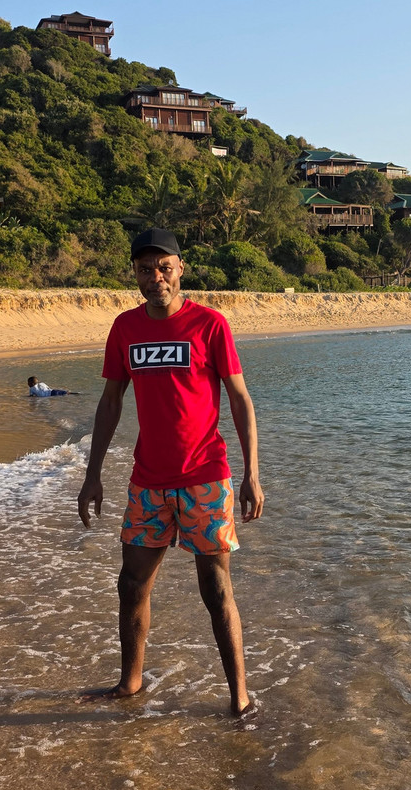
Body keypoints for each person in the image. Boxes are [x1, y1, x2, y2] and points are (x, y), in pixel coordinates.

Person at [77, 227, 263, 717]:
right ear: (135, 275)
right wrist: (92, 473)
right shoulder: (125, 329)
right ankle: (130, 684)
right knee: (131, 584)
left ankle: (239, 698)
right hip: (149, 481)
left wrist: (251, 474)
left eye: (164, 267)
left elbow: (240, 400)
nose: (155, 276)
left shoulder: (209, 325)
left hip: (206, 475)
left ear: (181, 269)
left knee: (216, 588)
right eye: (145, 269)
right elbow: (110, 402)